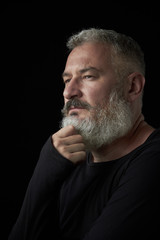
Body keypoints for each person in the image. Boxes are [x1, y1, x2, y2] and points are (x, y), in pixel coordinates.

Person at [8, 28, 160, 240]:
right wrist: (42, 178)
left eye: (88, 76)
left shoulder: (153, 162)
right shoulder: (64, 160)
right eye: (67, 80)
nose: (69, 92)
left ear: (132, 87)